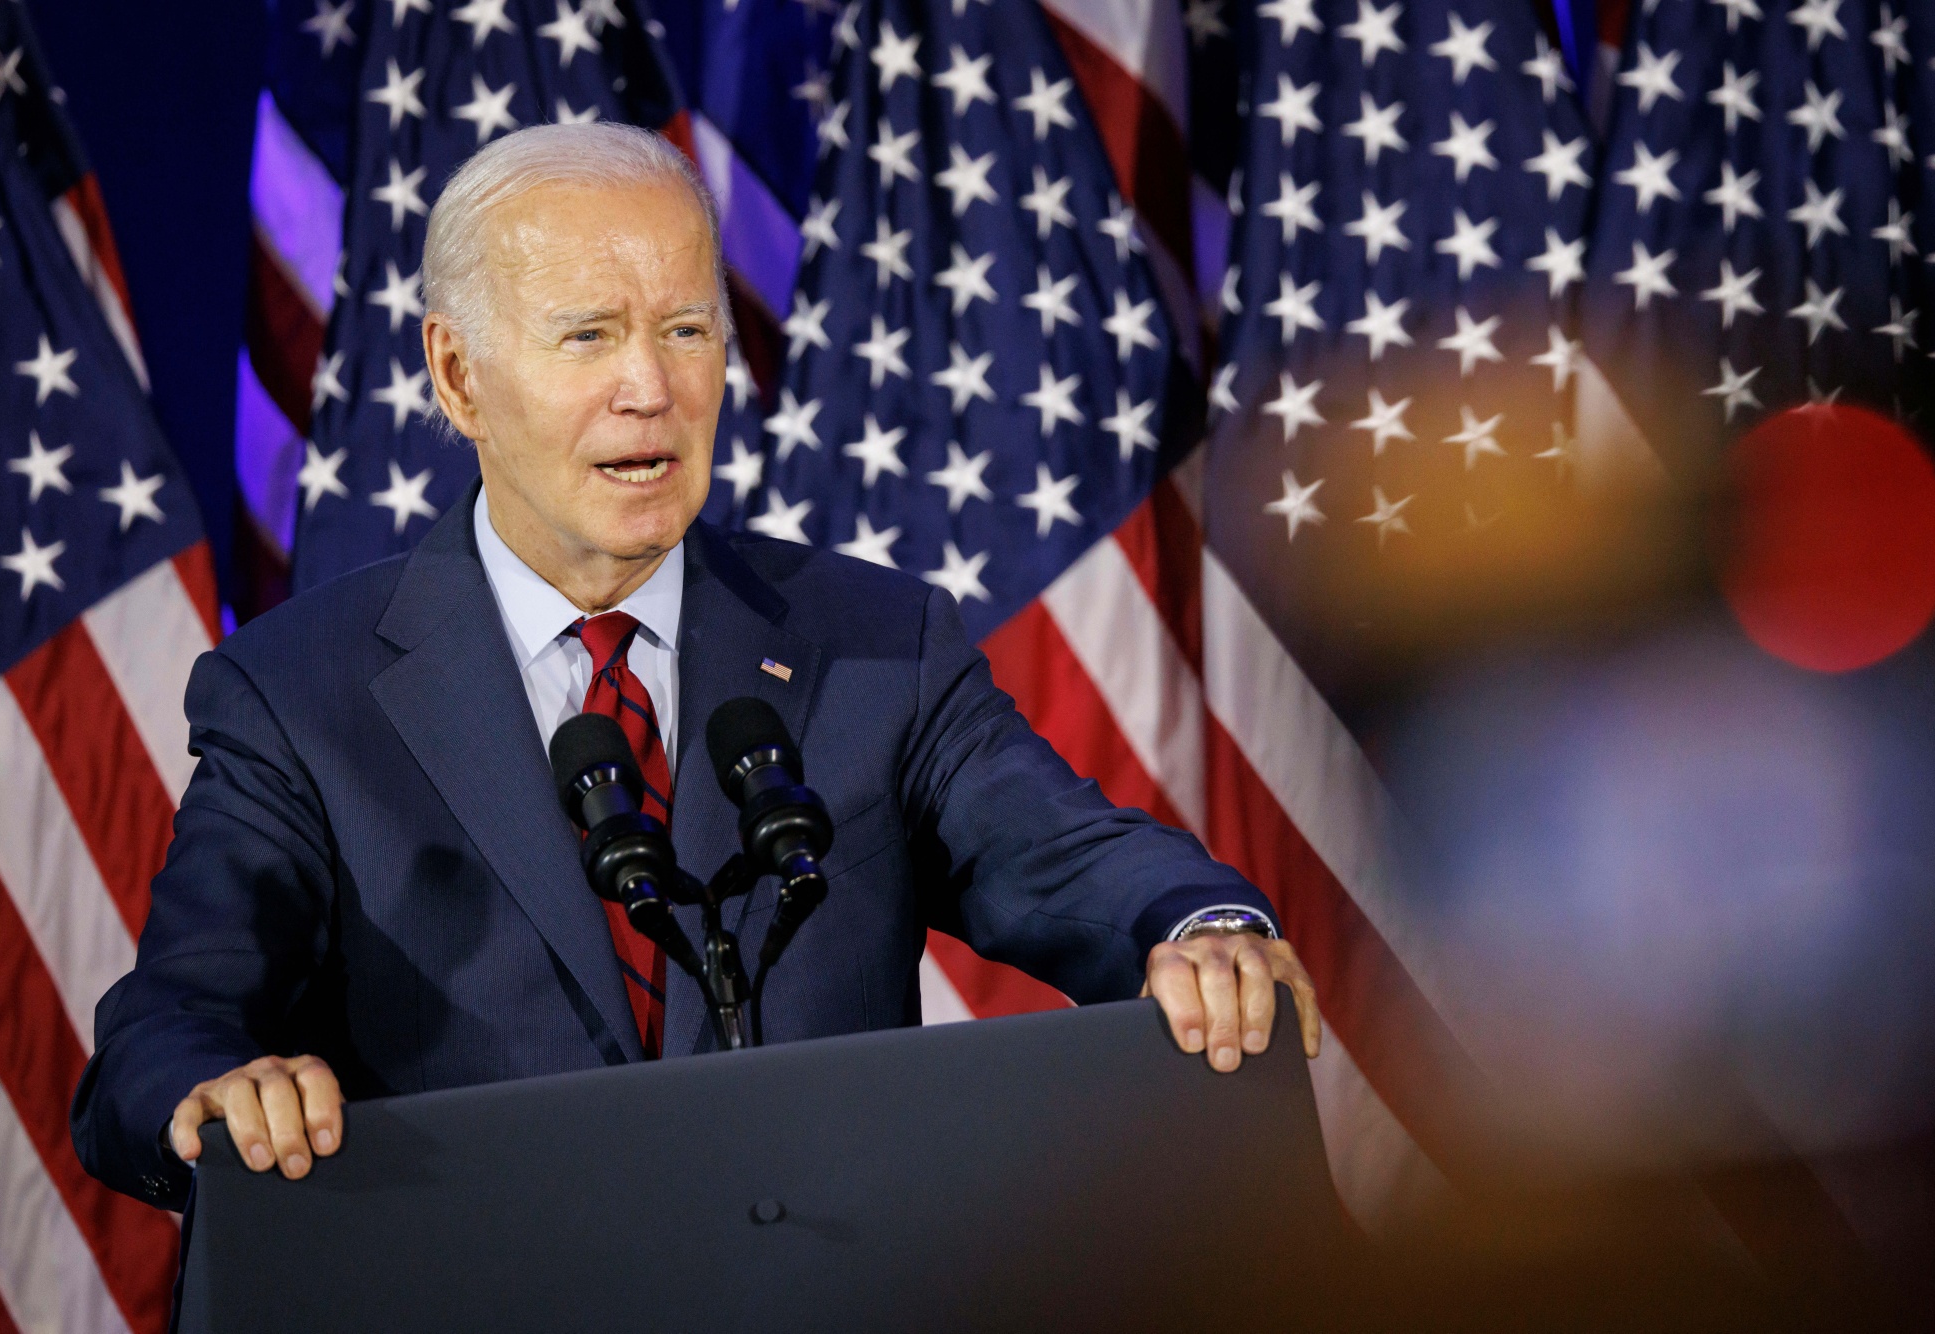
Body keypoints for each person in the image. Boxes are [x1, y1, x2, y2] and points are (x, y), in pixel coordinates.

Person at [71, 123, 1319, 1209]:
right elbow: (168, 1022)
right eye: (589, 336)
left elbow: (1070, 855)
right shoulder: (299, 696)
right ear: (459, 375)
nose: (650, 389)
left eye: (684, 329)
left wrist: (1199, 923)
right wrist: (218, 1089)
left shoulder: (872, 644)